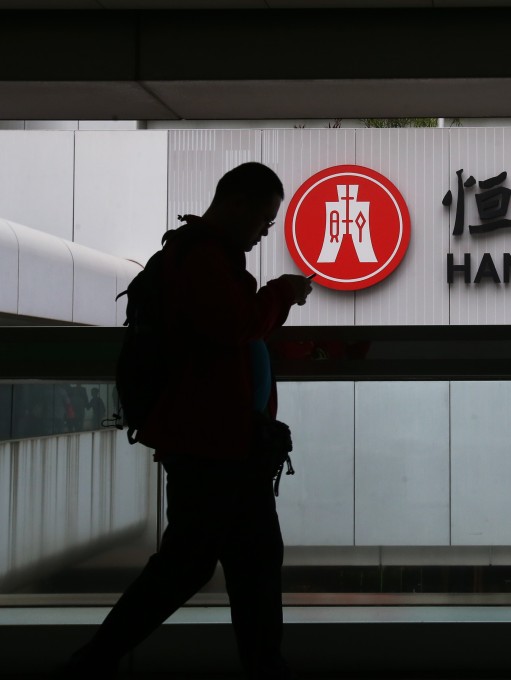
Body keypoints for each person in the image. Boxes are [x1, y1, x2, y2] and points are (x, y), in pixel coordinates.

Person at [63, 162, 312, 679]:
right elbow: (235, 326)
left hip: (223, 446)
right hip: (214, 449)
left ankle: (262, 667)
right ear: (237, 202)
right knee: (203, 566)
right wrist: (280, 295)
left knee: (237, 564)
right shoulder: (202, 260)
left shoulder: (201, 256)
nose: (267, 230)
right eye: (265, 218)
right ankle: (91, 664)